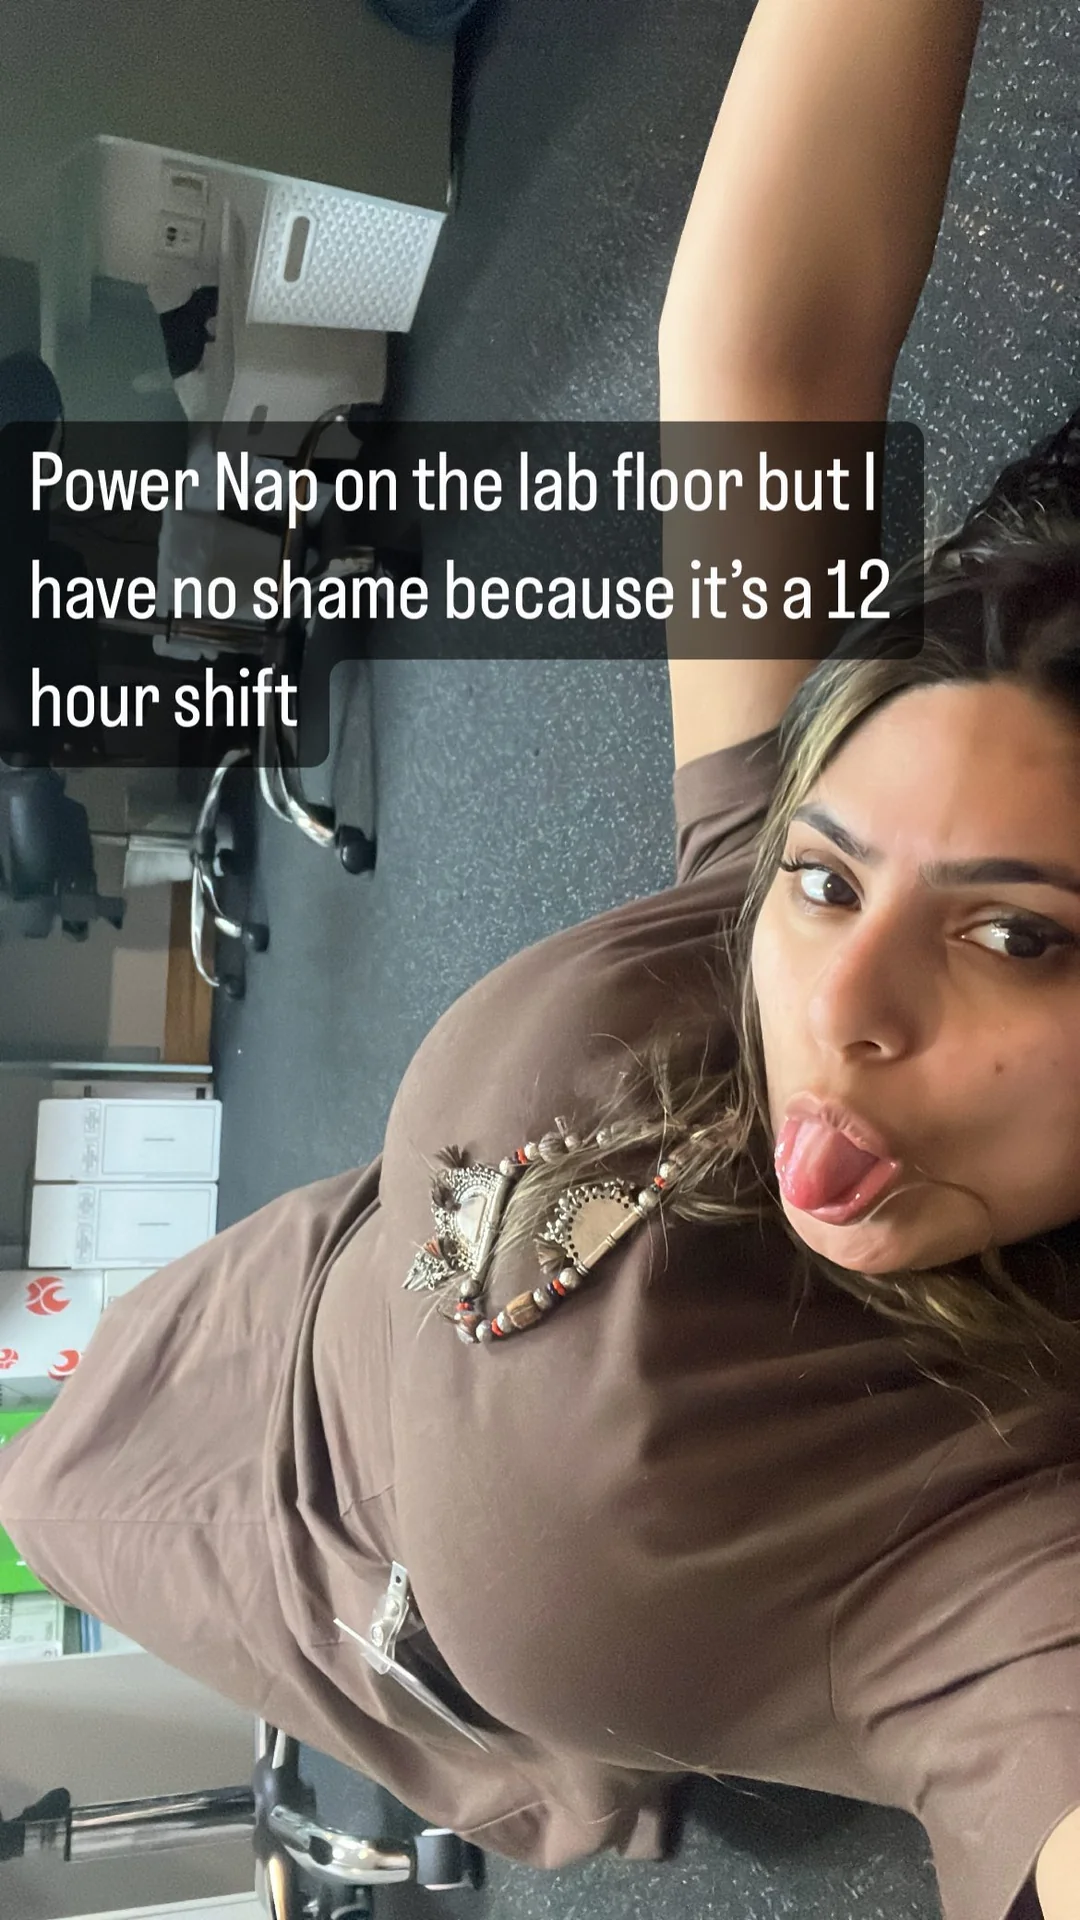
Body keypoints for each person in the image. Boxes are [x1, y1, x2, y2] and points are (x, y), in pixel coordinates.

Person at [2, 2, 1080, 1916]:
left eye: (1019, 936)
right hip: (303, 1304)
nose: (837, 1011)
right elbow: (758, 346)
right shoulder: (762, 900)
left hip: (401, 1631)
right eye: (830, 877)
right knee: (49, 1482)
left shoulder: (995, 1526)